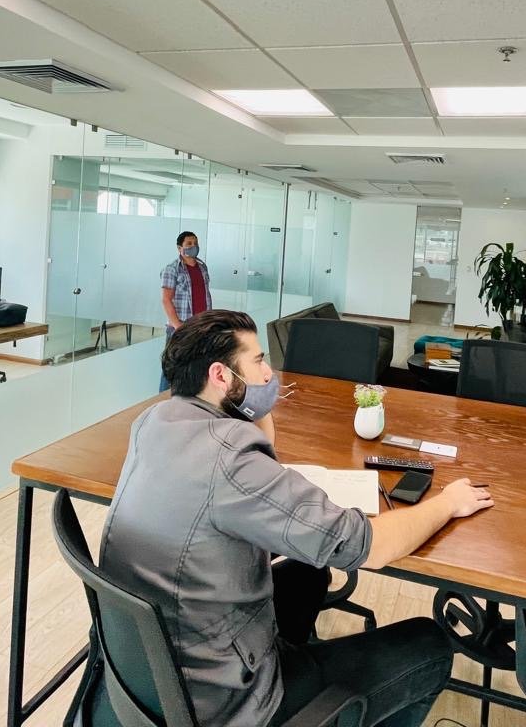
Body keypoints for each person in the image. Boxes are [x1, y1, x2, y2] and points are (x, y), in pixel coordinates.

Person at [100, 309, 494, 727]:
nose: (269, 373)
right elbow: (373, 546)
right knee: (429, 645)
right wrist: (447, 502)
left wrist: (249, 405)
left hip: (154, 668)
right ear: (220, 375)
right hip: (224, 703)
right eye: (258, 361)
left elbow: (245, 466)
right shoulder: (231, 459)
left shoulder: (155, 421)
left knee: (308, 572)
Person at [159, 230, 211, 392]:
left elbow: (204, 295)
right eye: (189, 244)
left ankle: (188, 399)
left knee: (196, 366)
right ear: (179, 248)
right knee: (172, 368)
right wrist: (178, 326)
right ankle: (163, 399)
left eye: (195, 243)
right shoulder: (172, 269)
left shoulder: (202, 267)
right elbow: (166, 299)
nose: (193, 246)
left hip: (200, 326)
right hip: (181, 327)